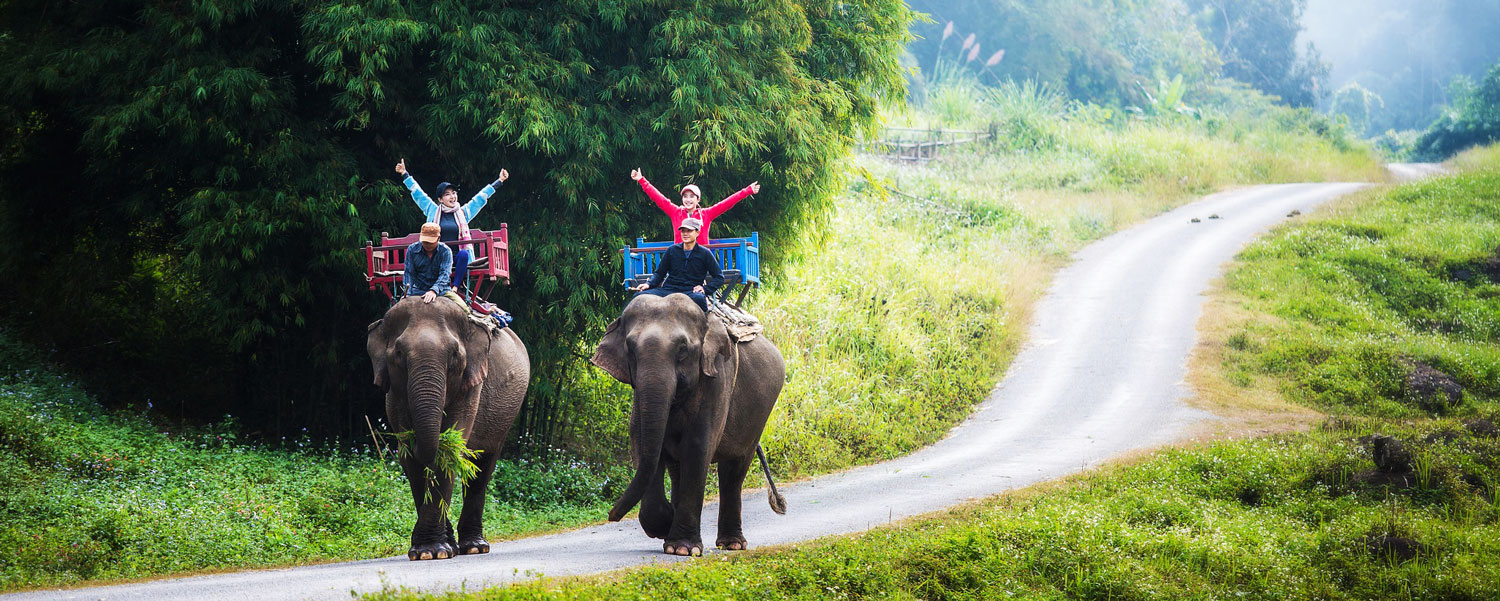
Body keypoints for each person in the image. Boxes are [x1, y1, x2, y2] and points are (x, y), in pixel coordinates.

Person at [395, 158, 509, 296]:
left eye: (454, 193)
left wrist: (499, 181)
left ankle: (455, 287)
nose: (452, 196)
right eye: (447, 194)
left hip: (455, 258)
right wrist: (404, 174)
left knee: (464, 254)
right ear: (440, 199)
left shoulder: (463, 213)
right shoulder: (433, 210)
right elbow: (418, 193)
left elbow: (479, 199)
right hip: (437, 256)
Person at [630, 168, 760, 244]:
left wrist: (747, 191)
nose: (688, 200)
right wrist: (641, 180)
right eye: (685, 196)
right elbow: (659, 198)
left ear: (698, 200)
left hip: (700, 260)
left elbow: (727, 202)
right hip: (681, 258)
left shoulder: (706, 214)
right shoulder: (676, 212)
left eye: (692, 196)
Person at [633, 218, 723, 312]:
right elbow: (659, 273)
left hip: (691, 292)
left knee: (699, 299)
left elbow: (719, 277)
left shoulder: (705, 253)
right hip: (669, 290)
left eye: (689, 231)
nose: (685, 234)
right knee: (638, 296)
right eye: (683, 231)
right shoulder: (672, 250)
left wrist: (705, 289)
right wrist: (648, 284)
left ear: (697, 232)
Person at [404, 222, 453, 304]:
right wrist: (407, 293)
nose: (427, 245)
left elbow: (445, 274)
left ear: (438, 238)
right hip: (418, 290)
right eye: (425, 241)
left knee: (464, 309)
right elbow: (409, 273)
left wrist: (433, 290)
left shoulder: (445, 251)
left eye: (430, 242)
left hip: (442, 291)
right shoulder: (412, 249)